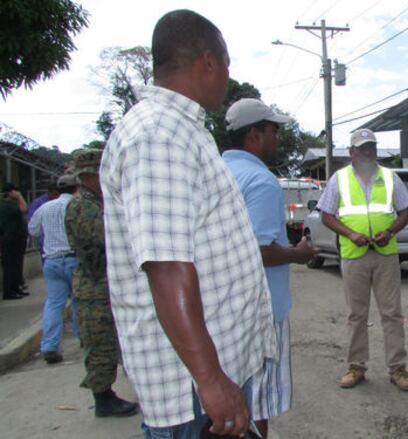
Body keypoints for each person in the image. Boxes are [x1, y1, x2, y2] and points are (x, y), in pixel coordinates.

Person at [100, 10, 276, 438]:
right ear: (208, 62)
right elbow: (166, 266)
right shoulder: (158, 134)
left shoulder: (183, 130)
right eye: (227, 65)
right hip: (192, 389)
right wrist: (212, 380)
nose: (228, 77)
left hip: (214, 367)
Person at [223, 98, 318, 438]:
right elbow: (259, 250)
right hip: (260, 313)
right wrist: (299, 253)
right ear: (255, 135)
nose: (278, 139)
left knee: (230, 394)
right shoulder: (260, 181)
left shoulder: (218, 171)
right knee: (257, 401)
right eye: (274, 131)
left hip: (224, 308)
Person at [317, 128, 408, 391]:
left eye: (371, 147)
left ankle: (398, 369)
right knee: (356, 315)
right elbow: (327, 215)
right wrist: (350, 233)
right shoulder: (339, 179)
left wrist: (390, 231)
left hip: (385, 254)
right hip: (354, 255)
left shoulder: (390, 177)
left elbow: (405, 212)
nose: (368, 152)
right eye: (362, 148)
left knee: (392, 314)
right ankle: (356, 366)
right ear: (351, 153)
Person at [64, 148, 139, 418]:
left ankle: (108, 393)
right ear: (88, 175)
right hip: (95, 287)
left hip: (106, 284)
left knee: (114, 342)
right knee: (101, 345)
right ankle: (103, 398)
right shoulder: (83, 205)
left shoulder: (97, 201)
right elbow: (106, 239)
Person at [28, 175, 80, 363]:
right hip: (74, 259)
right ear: (76, 188)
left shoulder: (45, 207)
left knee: (54, 304)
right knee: (78, 301)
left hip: (51, 261)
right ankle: (83, 339)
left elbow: (33, 230)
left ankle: (49, 346)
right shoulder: (77, 206)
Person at [0, 182, 28, 300]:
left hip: (15, 238)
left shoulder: (10, 204)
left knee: (16, 265)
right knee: (11, 266)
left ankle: (15, 288)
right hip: (10, 238)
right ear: (10, 193)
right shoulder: (6, 205)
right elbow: (24, 209)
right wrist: (19, 197)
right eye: (15, 191)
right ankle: (9, 291)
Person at [28, 182, 60, 265]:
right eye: (54, 194)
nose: (56, 197)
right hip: (45, 240)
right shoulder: (39, 203)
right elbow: (32, 220)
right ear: (49, 192)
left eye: (58, 195)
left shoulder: (60, 202)